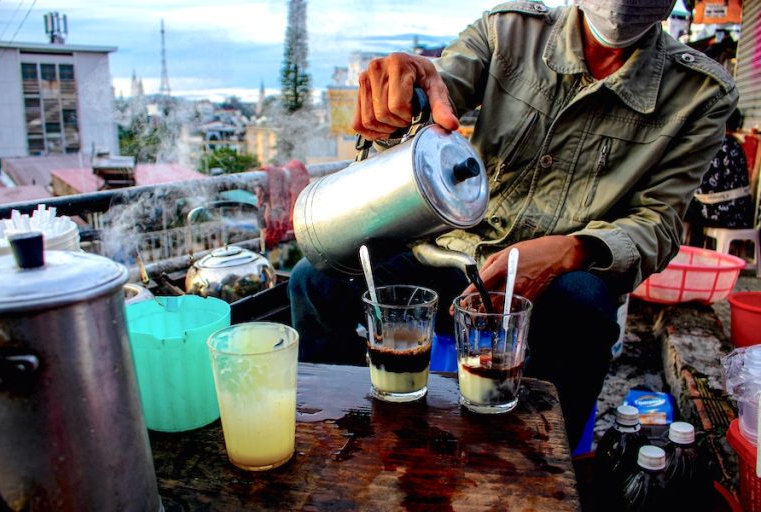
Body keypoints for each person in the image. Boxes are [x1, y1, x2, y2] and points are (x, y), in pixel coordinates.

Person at [288, 0, 738, 449]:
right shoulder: (508, 31)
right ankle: (342, 436)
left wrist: (570, 250)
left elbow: (658, 223)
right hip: (457, 253)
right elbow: (439, 91)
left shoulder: (700, 92)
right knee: (317, 279)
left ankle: (540, 465)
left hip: (556, 282)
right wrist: (407, 95)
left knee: (584, 310)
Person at [685, 107, 754, 245]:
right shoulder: (736, 145)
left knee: (686, 208)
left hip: (721, 215)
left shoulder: (715, 146)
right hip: (741, 213)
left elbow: (701, 186)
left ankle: (694, 250)